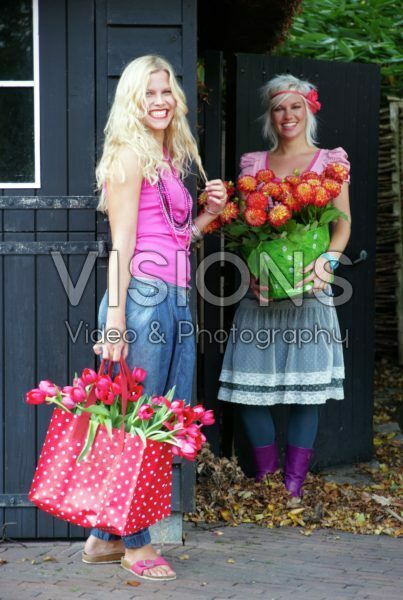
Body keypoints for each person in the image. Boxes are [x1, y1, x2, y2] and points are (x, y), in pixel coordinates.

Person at [82, 55, 227, 581]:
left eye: (167, 91)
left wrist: (209, 213)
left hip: (172, 298)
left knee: (160, 422)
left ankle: (103, 537)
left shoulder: (166, 158)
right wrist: (115, 321)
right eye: (149, 93)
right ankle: (136, 544)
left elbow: (174, 239)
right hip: (140, 302)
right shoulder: (126, 156)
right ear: (132, 101)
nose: (160, 101)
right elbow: (121, 245)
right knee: (137, 426)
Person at [218, 74, 351, 501]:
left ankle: (293, 488)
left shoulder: (329, 162)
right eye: (279, 108)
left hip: (311, 288)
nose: (287, 115)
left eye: (295, 106)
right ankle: (266, 483)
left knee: (305, 392)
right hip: (261, 292)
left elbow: (342, 223)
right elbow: (242, 229)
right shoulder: (254, 164)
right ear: (269, 115)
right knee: (250, 393)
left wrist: (328, 261)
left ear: (309, 109)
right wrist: (253, 271)